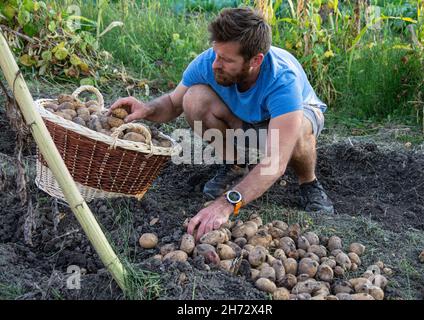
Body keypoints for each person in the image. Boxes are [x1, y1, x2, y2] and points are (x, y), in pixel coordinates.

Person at [109, 7, 334, 241]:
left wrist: (228, 203)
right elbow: (172, 103)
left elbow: (275, 162)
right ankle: (234, 165)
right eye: (216, 53)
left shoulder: (282, 80)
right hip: (246, 120)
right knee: (193, 99)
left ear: (255, 60)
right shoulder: (210, 61)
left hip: (293, 119)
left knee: (296, 135)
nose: (216, 64)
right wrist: (147, 108)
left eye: (226, 60)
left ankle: (309, 183)